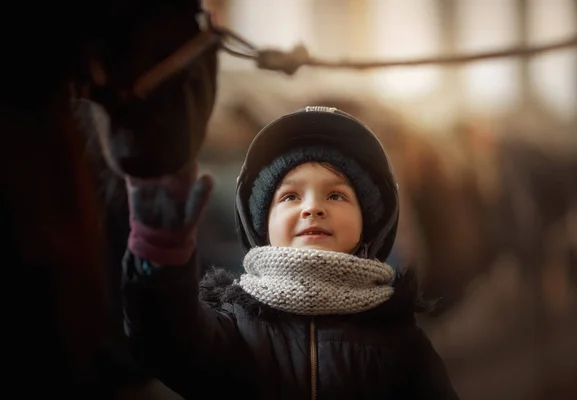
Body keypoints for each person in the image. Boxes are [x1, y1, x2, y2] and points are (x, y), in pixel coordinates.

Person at [122, 106, 459, 399]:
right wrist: (159, 255)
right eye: (290, 197)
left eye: (336, 196)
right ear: (262, 225)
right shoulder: (233, 329)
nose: (312, 208)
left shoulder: (399, 340)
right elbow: (162, 341)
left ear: (368, 221)